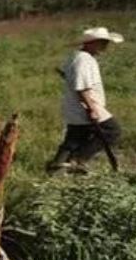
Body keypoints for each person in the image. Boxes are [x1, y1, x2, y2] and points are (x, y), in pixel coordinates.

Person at [46, 27, 123, 174]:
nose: (105, 46)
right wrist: (92, 108)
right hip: (86, 105)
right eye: (102, 42)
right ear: (91, 43)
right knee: (112, 131)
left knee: (75, 137)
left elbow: (63, 72)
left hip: (75, 105)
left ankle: (56, 167)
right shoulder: (84, 60)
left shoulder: (76, 56)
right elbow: (81, 88)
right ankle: (78, 160)